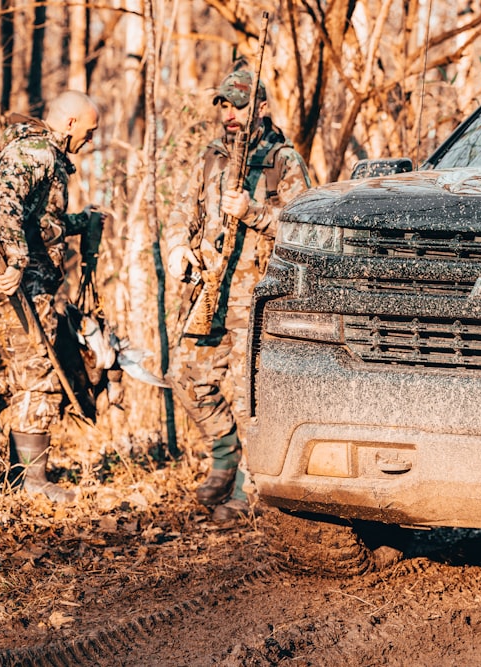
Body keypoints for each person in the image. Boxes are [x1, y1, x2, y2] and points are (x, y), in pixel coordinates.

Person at [165, 69, 310, 523]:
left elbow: (301, 228)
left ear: (261, 108)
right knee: (185, 376)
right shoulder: (211, 158)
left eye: (239, 105)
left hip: (260, 300)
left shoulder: (283, 161)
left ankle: (250, 485)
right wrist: (175, 246)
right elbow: (181, 210)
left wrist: (254, 213)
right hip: (211, 290)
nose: (230, 114)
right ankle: (224, 456)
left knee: (254, 398)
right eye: (224, 106)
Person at [0, 90, 103, 501]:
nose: (90, 140)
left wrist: (83, 222)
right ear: (71, 123)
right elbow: (2, 199)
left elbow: (39, 224)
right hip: (17, 289)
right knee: (36, 376)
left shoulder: (34, 153)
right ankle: (32, 482)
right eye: (89, 131)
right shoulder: (40, 153)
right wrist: (18, 259)